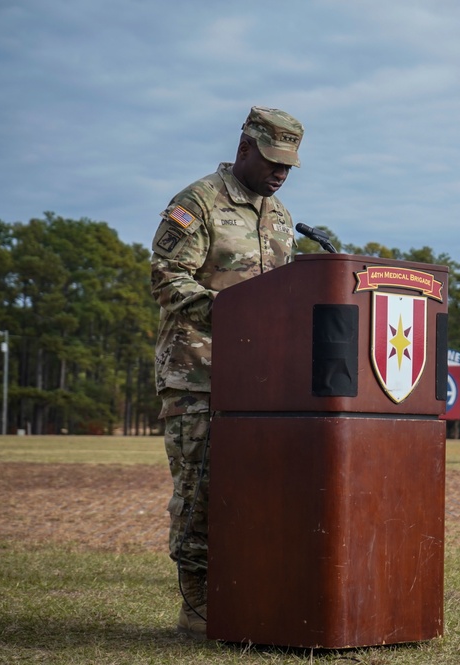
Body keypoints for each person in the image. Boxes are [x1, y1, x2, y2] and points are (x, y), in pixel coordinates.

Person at [150, 106, 304, 638]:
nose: (280, 172)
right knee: (201, 485)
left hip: (262, 380)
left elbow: (290, 293)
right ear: (244, 148)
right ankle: (198, 607)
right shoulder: (196, 203)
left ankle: (249, 596)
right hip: (198, 373)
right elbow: (169, 280)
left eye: (289, 164)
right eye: (272, 160)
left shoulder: (281, 216)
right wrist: (236, 314)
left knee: (260, 488)